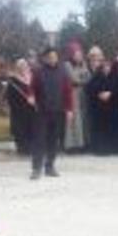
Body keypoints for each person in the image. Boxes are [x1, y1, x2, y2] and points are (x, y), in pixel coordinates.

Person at [29, 48, 73, 180]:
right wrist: (31, 96)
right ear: (45, 58)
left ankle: (50, 166)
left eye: (55, 57)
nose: (53, 59)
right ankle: (36, 168)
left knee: (53, 140)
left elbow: (68, 92)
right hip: (42, 111)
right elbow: (32, 87)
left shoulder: (63, 72)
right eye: (50, 57)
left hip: (58, 111)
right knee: (39, 140)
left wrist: (69, 109)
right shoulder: (38, 72)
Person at [4, 59, 36, 156]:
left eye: (25, 66)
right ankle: (22, 149)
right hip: (19, 112)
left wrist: (34, 99)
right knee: (20, 131)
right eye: (20, 67)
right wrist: (22, 103)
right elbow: (10, 97)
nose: (23, 68)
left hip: (32, 110)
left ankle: (32, 148)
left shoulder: (33, 79)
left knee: (33, 129)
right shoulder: (13, 82)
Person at [64, 43, 91, 152]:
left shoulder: (83, 65)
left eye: (80, 54)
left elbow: (89, 78)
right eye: (76, 54)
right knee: (74, 119)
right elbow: (73, 79)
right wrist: (82, 78)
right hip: (73, 94)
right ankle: (72, 145)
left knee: (83, 118)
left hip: (82, 94)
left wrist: (82, 73)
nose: (79, 57)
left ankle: (83, 144)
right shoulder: (67, 65)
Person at [86, 59, 117, 156]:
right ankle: (98, 149)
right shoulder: (96, 77)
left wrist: (110, 93)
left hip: (111, 107)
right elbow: (89, 88)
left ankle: (110, 148)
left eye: (108, 67)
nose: (107, 69)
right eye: (104, 67)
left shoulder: (114, 77)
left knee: (110, 128)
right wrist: (98, 94)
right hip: (98, 107)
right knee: (99, 129)